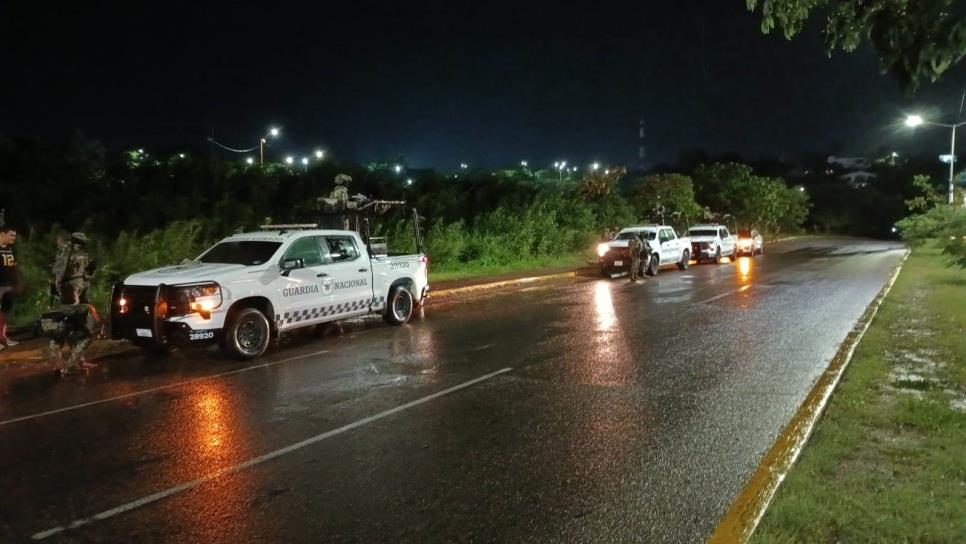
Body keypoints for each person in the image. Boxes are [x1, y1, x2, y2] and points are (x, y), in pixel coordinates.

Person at [41, 303, 100, 375]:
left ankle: (59, 367)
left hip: (45, 320)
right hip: (56, 321)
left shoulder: (81, 309)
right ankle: (70, 367)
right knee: (86, 338)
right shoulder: (88, 312)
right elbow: (90, 330)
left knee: (59, 339)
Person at [54, 232, 94, 304]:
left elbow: (62, 267)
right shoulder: (80, 253)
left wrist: (57, 282)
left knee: (74, 309)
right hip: (77, 284)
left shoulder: (70, 251)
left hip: (74, 284)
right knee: (79, 308)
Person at [0, 226, 22, 350]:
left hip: (8, 285)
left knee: (4, 313)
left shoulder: (9, 249)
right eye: (11, 235)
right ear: (2, 234)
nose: (13, 238)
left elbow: (14, 267)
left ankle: (3, 337)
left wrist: (17, 282)